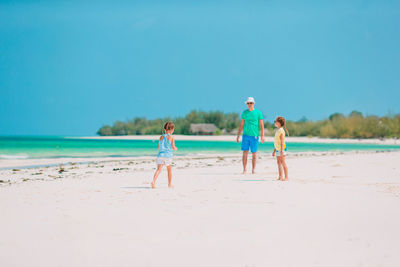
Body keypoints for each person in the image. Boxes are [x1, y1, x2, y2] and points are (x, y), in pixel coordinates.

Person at [236, 97, 265, 174]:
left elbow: (261, 125)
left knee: (254, 153)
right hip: (245, 135)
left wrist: (262, 136)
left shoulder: (258, 113)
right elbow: (241, 124)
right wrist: (238, 135)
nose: (249, 104)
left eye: (251, 103)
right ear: (246, 104)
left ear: (254, 103)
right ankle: (244, 169)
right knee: (245, 152)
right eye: (248, 103)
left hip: (254, 136)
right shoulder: (244, 112)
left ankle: (253, 170)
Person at [151, 122, 178, 188]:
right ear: (171, 129)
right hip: (167, 156)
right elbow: (173, 147)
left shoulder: (161, 137)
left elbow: (158, 147)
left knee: (158, 170)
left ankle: (153, 182)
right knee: (169, 170)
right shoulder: (171, 137)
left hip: (160, 155)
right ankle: (169, 184)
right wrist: (175, 148)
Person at [272, 116, 289, 181]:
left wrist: (282, 150)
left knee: (283, 162)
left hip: (282, 149)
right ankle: (280, 176)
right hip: (278, 149)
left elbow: (282, 141)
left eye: (275, 121)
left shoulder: (281, 131)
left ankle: (286, 177)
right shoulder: (278, 130)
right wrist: (274, 151)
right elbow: (277, 142)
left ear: (279, 123)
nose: (275, 122)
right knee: (278, 162)